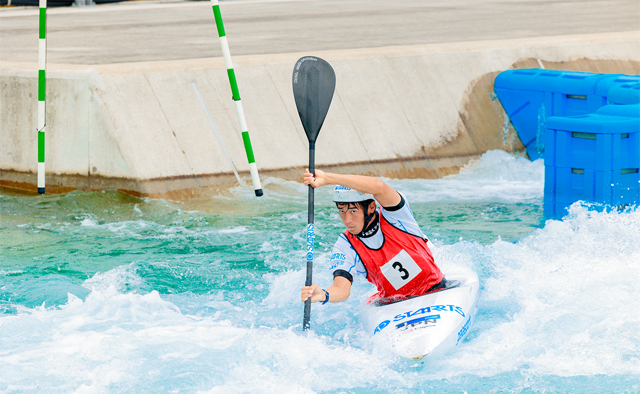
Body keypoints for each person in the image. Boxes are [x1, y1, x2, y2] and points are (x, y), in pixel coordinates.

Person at [300, 169, 445, 306]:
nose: (347, 219)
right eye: (342, 211)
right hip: (393, 304)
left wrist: (326, 178)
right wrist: (324, 295)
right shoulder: (345, 244)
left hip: (435, 289)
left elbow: (379, 187)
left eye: (353, 211)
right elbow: (342, 288)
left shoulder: (396, 215)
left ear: (370, 207)